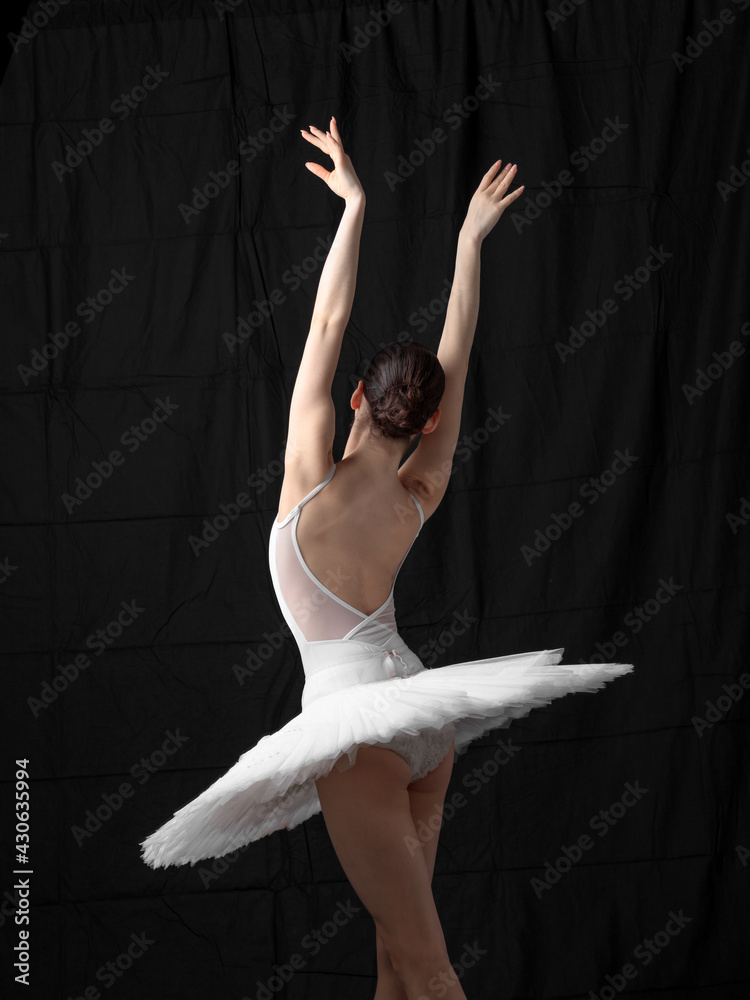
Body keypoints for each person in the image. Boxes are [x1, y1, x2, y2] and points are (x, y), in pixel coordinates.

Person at [141, 117, 634, 1000]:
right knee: (396, 961)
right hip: (422, 727)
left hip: (356, 738)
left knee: (427, 965)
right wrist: (468, 244)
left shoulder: (305, 481)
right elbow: (461, 350)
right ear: (431, 425)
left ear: (359, 396)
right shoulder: (421, 493)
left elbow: (329, 316)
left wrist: (356, 205)